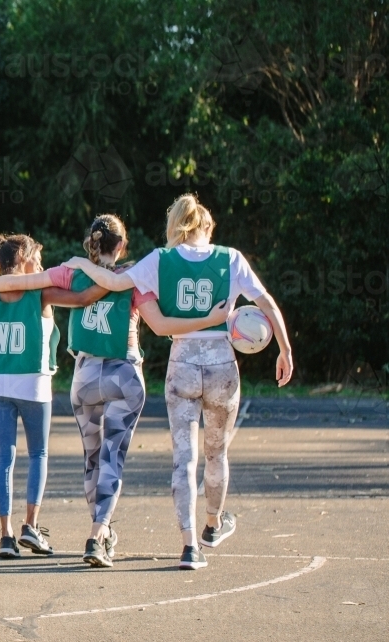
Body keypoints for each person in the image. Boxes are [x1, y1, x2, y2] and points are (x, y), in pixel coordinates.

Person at [0, 215, 228, 567]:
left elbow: (25, 281)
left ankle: (99, 532)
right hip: (122, 373)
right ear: (122, 245)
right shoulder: (134, 277)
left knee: (92, 461)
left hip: (84, 377)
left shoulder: (69, 274)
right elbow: (159, 324)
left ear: (90, 244)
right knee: (112, 459)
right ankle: (98, 534)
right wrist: (209, 321)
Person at [65, 194, 293, 570]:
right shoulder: (231, 258)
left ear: (175, 225)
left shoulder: (159, 259)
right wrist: (284, 349)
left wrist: (77, 263)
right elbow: (265, 301)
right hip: (221, 361)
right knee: (216, 452)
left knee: (183, 458)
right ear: (206, 226)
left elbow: (111, 281)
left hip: (183, 360)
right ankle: (212, 525)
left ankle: (189, 546)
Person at [0, 233, 105, 559]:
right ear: (25, 261)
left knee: (4, 458)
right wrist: (121, 280)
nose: (43, 267)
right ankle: (30, 525)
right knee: (38, 454)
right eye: (39, 260)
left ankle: (5, 535)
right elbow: (85, 297)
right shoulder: (40, 293)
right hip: (31, 382)